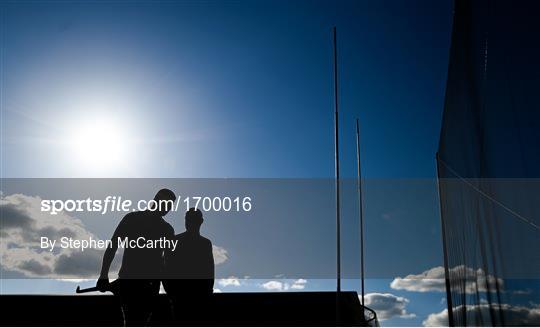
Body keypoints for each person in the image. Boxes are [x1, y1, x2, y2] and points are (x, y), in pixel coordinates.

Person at [97, 189, 176, 326]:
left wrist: (170, 290)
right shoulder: (133, 219)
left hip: (146, 287)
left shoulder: (166, 229)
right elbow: (113, 246)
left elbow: (167, 263)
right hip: (131, 284)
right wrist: (103, 275)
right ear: (156, 201)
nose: (167, 209)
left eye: (169, 206)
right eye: (166, 204)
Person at [164, 208, 215, 322]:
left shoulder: (205, 244)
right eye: (188, 219)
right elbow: (166, 266)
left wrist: (208, 290)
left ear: (200, 221)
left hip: (199, 296)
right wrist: (170, 291)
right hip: (180, 296)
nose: (189, 222)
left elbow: (209, 269)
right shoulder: (175, 241)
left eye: (192, 219)